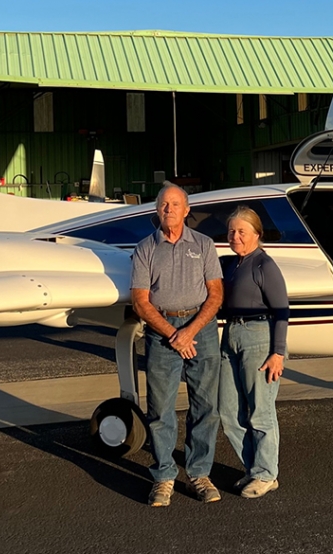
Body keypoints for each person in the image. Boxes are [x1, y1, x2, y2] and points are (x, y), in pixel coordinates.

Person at [130, 184, 224, 508]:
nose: (169, 209)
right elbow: (141, 302)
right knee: (160, 410)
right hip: (162, 334)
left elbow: (216, 294)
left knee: (206, 407)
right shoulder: (145, 249)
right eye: (163, 204)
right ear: (156, 210)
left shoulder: (204, 245)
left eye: (175, 204)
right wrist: (174, 334)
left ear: (186, 210)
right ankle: (164, 477)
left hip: (203, 330)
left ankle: (199, 473)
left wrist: (190, 331)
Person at [218, 206, 289, 499]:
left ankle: (266, 474)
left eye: (242, 231)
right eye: (232, 231)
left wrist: (278, 353)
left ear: (257, 234)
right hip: (230, 334)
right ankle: (253, 467)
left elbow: (282, 311)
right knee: (227, 409)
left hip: (259, 337)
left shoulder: (264, 266)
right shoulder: (229, 264)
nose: (235, 236)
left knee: (260, 411)